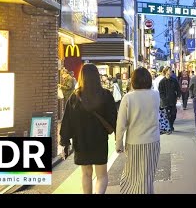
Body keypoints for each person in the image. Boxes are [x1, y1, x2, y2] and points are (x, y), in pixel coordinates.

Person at [59, 64, 117, 194]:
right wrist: (118, 138)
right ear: (97, 77)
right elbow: (114, 118)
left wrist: (65, 142)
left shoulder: (75, 97)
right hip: (99, 140)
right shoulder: (105, 95)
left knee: (86, 174)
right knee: (101, 175)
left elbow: (67, 121)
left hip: (81, 141)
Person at [115, 67, 161, 194]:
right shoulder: (155, 95)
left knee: (131, 177)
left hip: (134, 142)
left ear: (133, 80)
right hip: (153, 142)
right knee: (147, 177)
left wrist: (118, 143)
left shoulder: (128, 98)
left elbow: (121, 124)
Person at [158, 66, 181, 131]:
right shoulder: (162, 82)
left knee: (173, 114)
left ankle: (171, 124)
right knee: (167, 115)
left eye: (171, 70)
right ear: (166, 72)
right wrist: (163, 99)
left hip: (173, 100)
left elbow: (178, 88)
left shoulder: (174, 80)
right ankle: (170, 126)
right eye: (169, 70)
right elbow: (161, 92)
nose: (170, 71)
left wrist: (178, 95)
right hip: (165, 101)